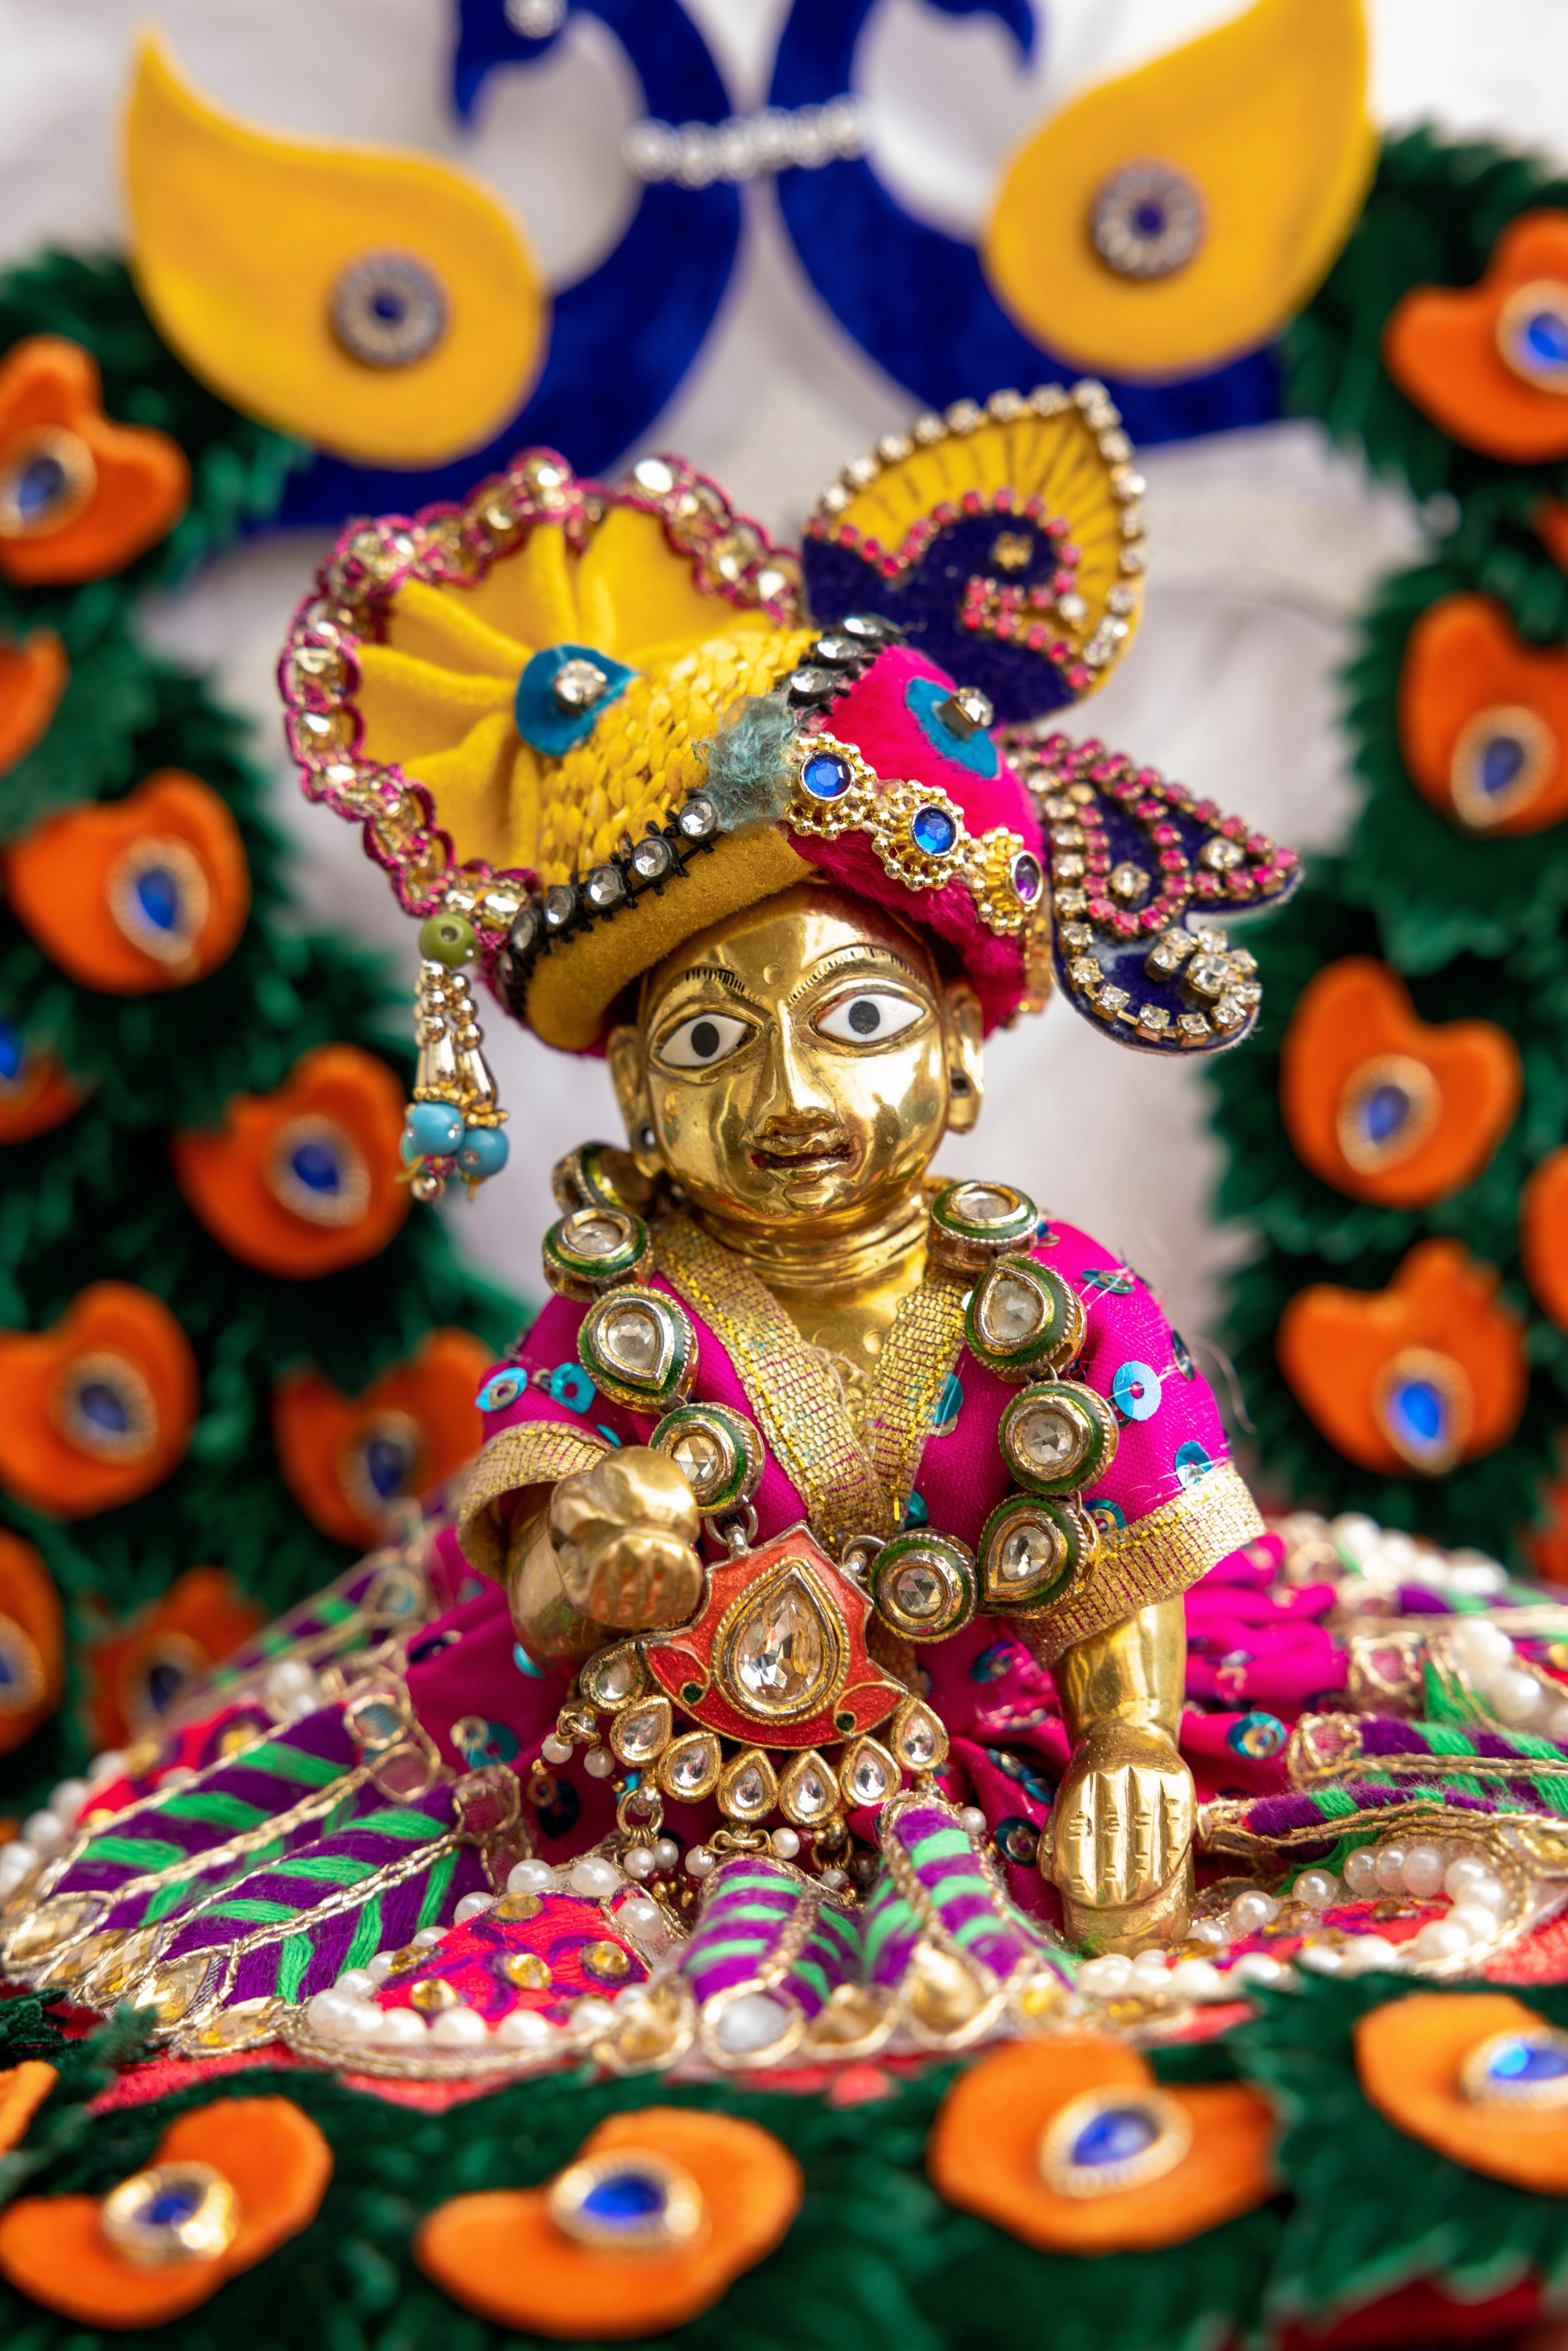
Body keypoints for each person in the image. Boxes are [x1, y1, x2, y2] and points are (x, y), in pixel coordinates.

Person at [0, 384, 1307, 2068]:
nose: (790, 1092)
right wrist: (591, 1558)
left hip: (1001, 1760)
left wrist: (1127, 1742)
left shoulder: (1050, 1297)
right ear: (632, 1090)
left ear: (961, 1051)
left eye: (857, 1020)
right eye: (707, 1041)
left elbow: (1119, 1554)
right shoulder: (631, 1314)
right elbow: (542, 1590)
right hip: (645, 1811)